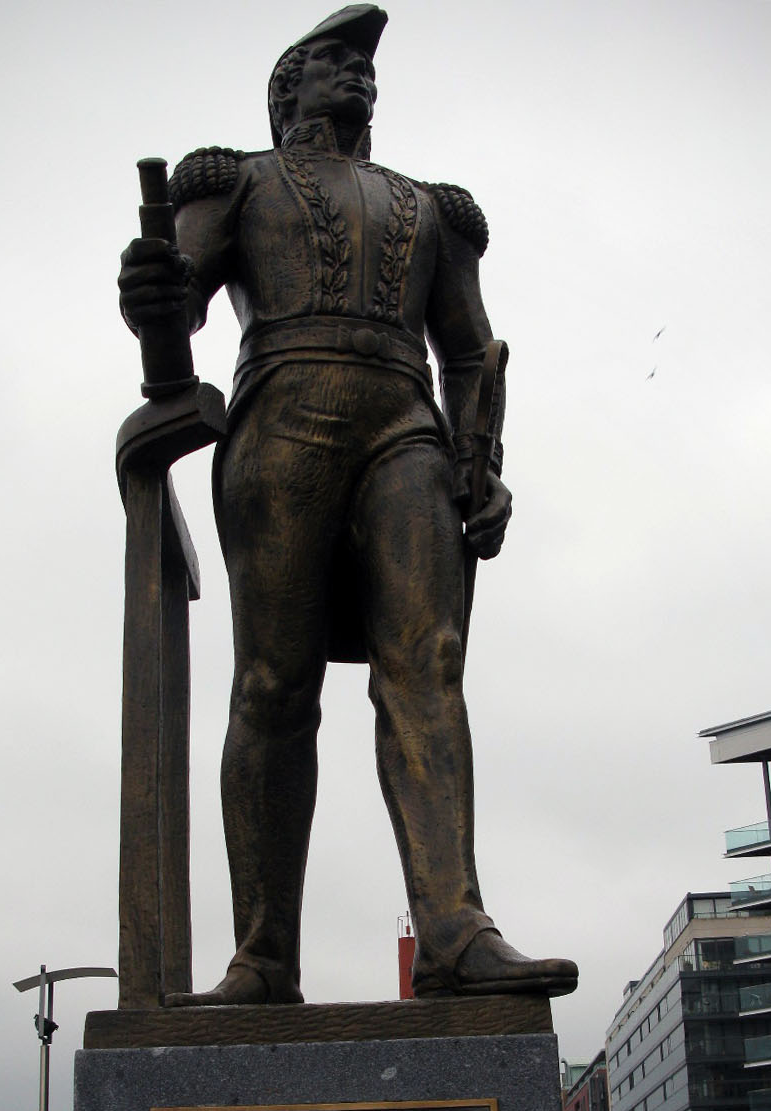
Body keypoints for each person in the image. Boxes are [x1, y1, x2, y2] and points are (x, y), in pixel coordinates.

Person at [118, 5, 577, 1005]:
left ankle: (454, 929)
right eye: (332, 61)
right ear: (285, 90)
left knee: (430, 665)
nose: (357, 74)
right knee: (273, 687)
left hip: (405, 426)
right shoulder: (236, 180)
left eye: (364, 66)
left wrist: (480, 461)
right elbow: (179, 309)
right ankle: (263, 957)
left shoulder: (431, 208)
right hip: (283, 416)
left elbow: (469, 352)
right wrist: (153, 292)